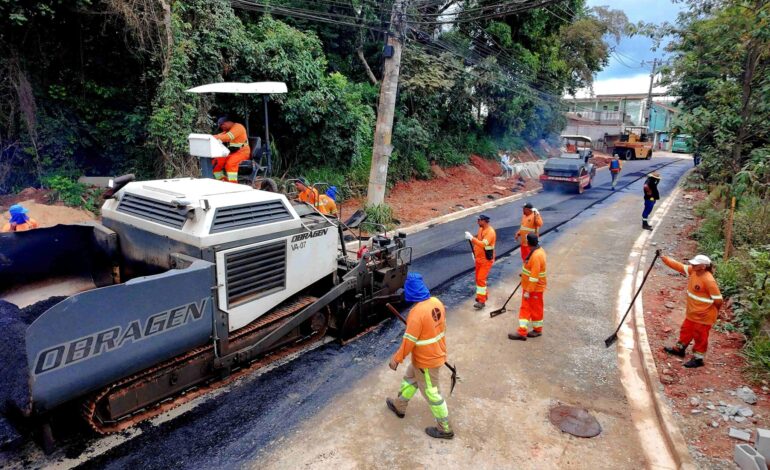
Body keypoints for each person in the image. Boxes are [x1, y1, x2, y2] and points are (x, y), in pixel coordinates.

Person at [386, 272, 453, 439]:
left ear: (410, 291)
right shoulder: (436, 303)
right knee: (410, 379)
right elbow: (440, 328)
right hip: (431, 355)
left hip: (426, 362)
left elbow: (408, 341)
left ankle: (445, 428)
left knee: (432, 393)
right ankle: (399, 406)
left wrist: (396, 359)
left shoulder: (416, 313)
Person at [659, 252, 722, 368]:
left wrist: (714, 313)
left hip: (704, 317)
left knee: (700, 337)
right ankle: (680, 349)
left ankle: (698, 359)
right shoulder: (694, 271)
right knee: (685, 331)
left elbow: (718, 300)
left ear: (703, 266)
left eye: (696, 264)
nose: (692, 265)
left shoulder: (709, 281)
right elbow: (679, 266)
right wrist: (664, 258)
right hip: (692, 314)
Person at [509, 233, 547, 341]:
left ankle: (522, 332)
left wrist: (528, 291)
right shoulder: (538, 250)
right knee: (536, 308)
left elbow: (534, 277)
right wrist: (525, 274)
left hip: (533, 288)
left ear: (528, 242)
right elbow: (533, 270)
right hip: (535, 288)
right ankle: (537, 329)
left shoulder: (536, 256)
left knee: (525, 308)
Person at [465, 214, 496, 309]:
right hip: (479, 259)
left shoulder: (490, 232)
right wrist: (474, 253)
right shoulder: (481, 229)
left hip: (486, 260)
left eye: (479, 220)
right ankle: (482, 296)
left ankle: (482, 302)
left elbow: (482, 244)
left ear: (484, 221)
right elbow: (478, 242)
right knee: (478, 279)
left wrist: (471, 238)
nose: (477, 222)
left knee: (481, 279)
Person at [213, 116, 251, 183]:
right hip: (232, 152)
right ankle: (222, 181)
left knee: (230, 164)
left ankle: (233, 184)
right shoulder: (228, 130)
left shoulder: (238, 127)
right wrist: (212, 137)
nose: (222, 127)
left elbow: (227, 137)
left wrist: (215, 137)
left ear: (228, 122)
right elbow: (220, 135)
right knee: (216, 162)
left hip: (243, 152)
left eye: (222, 125)